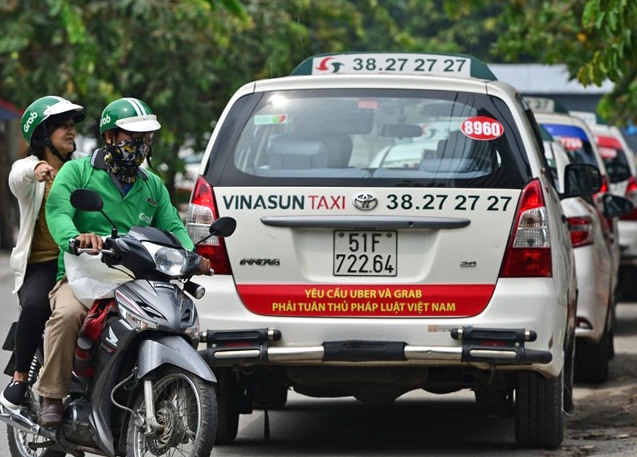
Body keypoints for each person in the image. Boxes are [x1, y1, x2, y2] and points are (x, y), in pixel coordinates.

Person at [35, 97, 210, 426]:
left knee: (169, 318)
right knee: (69, 314)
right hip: (82, 275)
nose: (140, 145)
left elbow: (172, 226)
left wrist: (192, 256)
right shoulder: (77, 171)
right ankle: (52, 393)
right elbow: (58, 212)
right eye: (132, 138)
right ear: (110, 138)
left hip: (134, 278)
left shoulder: (151, 185)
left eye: (145, 139)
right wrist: (76, 237)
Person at [1, 96, 85, 411]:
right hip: (39, 266)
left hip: (78, 263)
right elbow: (16, 176)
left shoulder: (80, 168)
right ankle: (21, 378)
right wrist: (36, 168)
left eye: (72, 125)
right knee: (36, 305)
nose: (71, 131)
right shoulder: (31, 172)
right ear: (41, 133)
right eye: (62, 126)